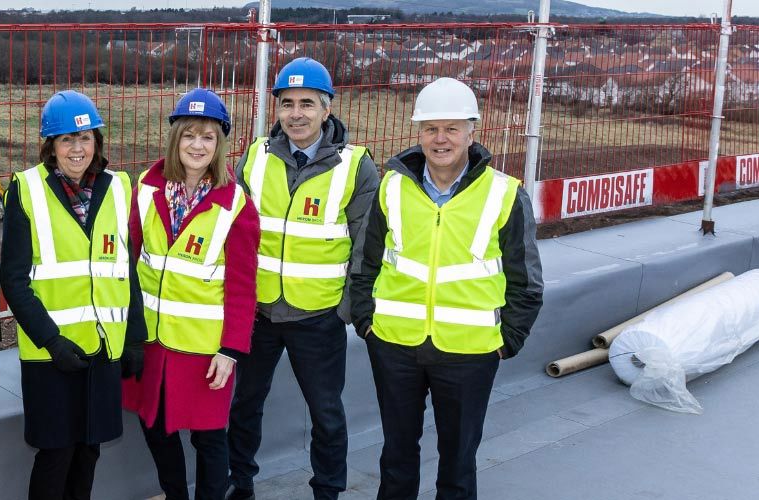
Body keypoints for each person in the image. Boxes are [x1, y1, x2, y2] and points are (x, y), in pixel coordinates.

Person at [347, 77, 544, 500]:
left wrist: (505, 342)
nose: (441, 139)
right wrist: (367, 324)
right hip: (395, 345)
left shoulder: (504, 194)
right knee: (396, 457)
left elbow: (526, 281)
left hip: (470, 353)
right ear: (418, 132)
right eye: (431, 128)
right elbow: (364, 263)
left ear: (472, 132)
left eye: (452, 128)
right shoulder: (392, 186)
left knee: (458, 463)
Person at [227, 57, 379, 500]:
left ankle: (327, 490)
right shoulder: (255, 157)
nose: (296, 113)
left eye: (307, 104)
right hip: (257, 312)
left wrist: (345, 310)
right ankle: (241, 483)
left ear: (327, 108)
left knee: (326, 412)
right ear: (276, 108)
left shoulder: (355, 167)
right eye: (287, 103)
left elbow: (366, 245)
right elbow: (234, 232)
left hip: (318, 316)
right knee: (244, 405)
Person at [124, 88, 261, 500]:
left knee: (209, 439)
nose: (197, 145)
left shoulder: (235, 204)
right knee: (155, 427)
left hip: (204, 352)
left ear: (219, 144)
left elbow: (242, 286)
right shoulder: (146, 190)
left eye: (207, 136)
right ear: (174, 139)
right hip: (151, 342)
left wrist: (230, 350)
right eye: (189, 135)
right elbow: (129, 264)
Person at [0, 90, 135, 500]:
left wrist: (131, 342)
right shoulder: (26, 190)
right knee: (55, 454)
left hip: (102, 348)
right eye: (66, 140)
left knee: (89, 450)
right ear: (51, 146)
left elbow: (128, 272)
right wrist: (52, 342)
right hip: (52, 354)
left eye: (85, 138)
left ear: (97, 142)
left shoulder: (119, 188)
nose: (77, 149)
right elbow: (15, 282)